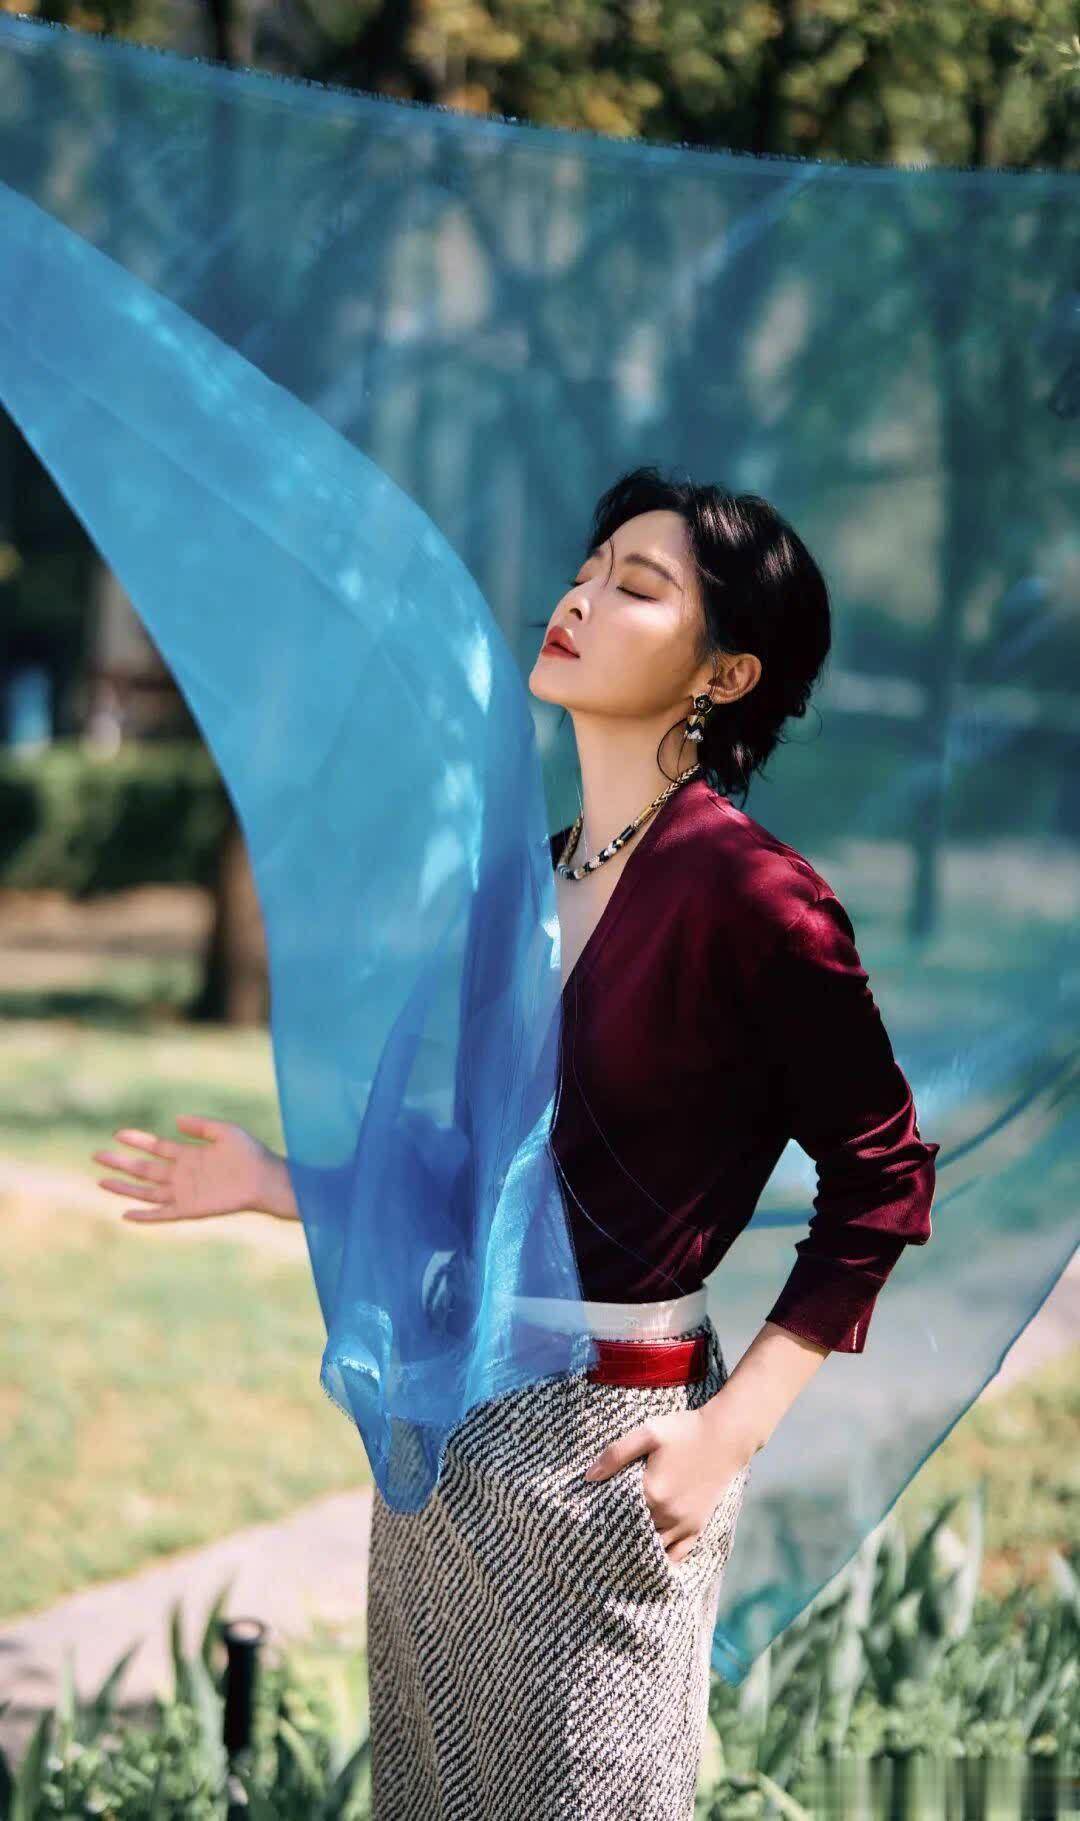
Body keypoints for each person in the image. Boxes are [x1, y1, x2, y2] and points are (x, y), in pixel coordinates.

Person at [90, 464, 939, 1820]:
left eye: (637, 586)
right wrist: (270, 1182)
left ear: (724, 675)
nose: (581, 598)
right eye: (588, 569)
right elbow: (490, 1178)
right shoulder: (528, 883)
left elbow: (883, 1180)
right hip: (448, 1439)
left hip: (612, 1454)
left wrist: (726, 1436)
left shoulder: (758, 899)